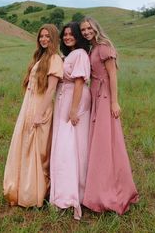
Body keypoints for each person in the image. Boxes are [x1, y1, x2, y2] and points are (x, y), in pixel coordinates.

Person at [80, 17, 139, 215]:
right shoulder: (92, 49)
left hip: (105, 96)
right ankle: (96, 186)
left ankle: (109, 192)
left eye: (89, 28)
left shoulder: (104, 47)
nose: (86, 32)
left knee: (105, 143)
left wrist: (114, 102)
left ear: (96, 28)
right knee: (97, 141)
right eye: (83, 30)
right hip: (95, 95)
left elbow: (113, 75)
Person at [3, 24, 63, 208]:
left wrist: (39, 113)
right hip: (29, 106)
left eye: (48, 37)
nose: (44, 39)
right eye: (41, 36)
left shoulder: (54, 59)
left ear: (54, 39)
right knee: (25, 144)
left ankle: (35, 192)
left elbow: (51, 89)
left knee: (37, 148)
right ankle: (21, 187)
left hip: (40, 107)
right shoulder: (41, 56)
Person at [50, 22, 91, 220]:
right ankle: (62, 189)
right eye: (64, 34)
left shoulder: (81, 54)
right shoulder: (69, 55)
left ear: (78, 36)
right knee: (64, 143)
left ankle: (72, 194)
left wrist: (74, 109)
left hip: (74, 99)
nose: (67, 37)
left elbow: (79, 81)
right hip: (63, 98)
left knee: (70, 145)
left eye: (71, 34)